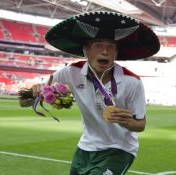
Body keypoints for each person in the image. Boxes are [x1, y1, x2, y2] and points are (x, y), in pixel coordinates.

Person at [20, 11, 160, 175]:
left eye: (111, 47)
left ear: (116, 53)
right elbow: (23, 102)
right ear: (86, 50)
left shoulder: (132, 82)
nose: (105, 52)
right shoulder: (71, 72)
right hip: (85, 148)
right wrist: (33, 92)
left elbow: (140, 124)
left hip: (119, 150)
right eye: (98, 45)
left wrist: (126, 122)